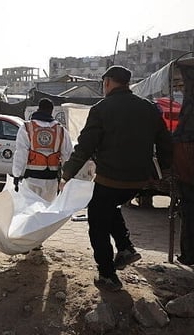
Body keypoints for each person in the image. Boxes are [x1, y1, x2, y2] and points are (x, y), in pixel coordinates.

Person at [61, 66, 172, 292]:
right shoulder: (148, 108)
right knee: (107, 205)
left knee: (98, 222)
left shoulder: (101, 109)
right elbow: (164, 142)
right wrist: (165, 172)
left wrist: (66, 174)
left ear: (108, 82)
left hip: (111, 177)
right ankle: (125, 248)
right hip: (140, 180)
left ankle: (107, 274)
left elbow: (85, 146)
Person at [12, 98, 73, 203]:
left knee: (31, 212)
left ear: (38, 109)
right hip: (51, 180)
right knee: (47, 212)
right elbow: (67, 156)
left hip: (31, 179)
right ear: (52, 111)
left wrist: (17, 175)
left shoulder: (27, 127)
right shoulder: (61, 130)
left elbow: (21, 153)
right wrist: (66, 178)